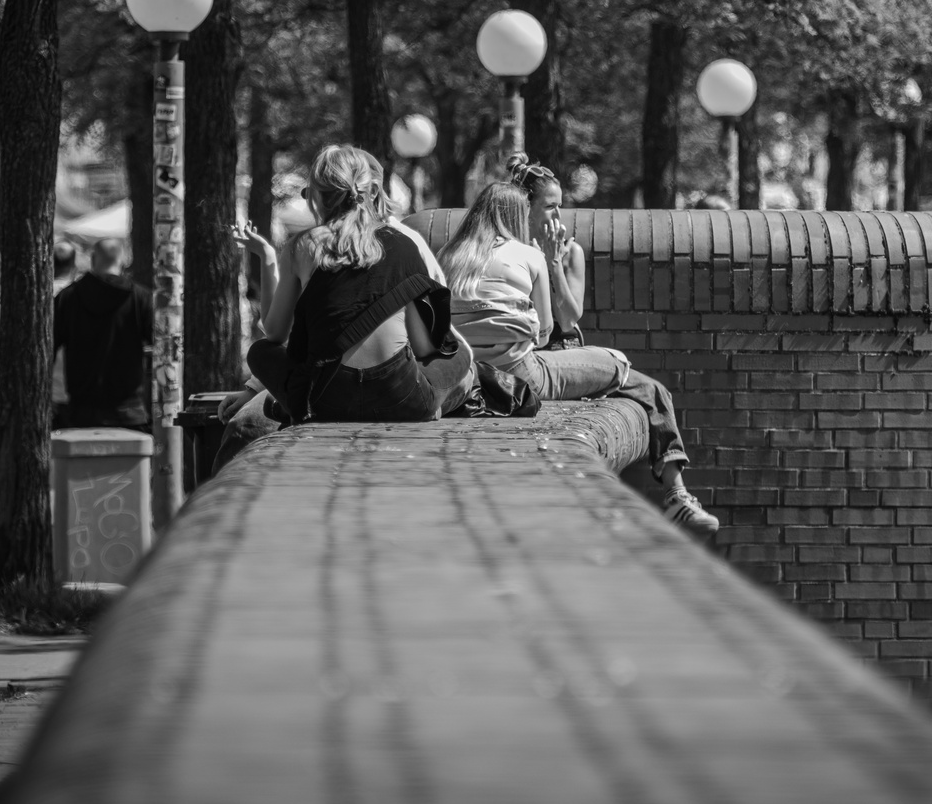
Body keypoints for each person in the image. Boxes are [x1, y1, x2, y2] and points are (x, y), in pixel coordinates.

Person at [440, 184, 720, 532]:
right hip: (526, 371)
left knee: (642, 387)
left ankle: (678, 495)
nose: (557, 216)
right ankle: (677, 495)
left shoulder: (449, 256)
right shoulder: (527, 255)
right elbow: (545, 331)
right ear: (521, 213)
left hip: (468, 375)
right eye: (548, 207)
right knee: (626, 371)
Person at [230, 144, 471, 427]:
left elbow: (273, 332)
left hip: (325, 401)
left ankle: (290, 406)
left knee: (259, 352)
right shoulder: (405, 244)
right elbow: (424, 344)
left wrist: (267, 258)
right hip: (401, 399)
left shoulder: (301, 246)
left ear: (317, 197)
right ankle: (432, 406)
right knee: (460, 354)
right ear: (367, 192)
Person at [54, 238, 152, 429]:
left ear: (92, 259)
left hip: (81, 410)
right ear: (123, 260)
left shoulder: (67, 298)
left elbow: (48, 350)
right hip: (129, 410)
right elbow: (161, 347)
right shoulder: (141, 298)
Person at [507, 155, 586, 349]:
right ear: (526, 208)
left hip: (563, 344)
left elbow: (568, 321)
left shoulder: (571, 252)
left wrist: (554, 264)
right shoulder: (508, 250)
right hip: (522, 344)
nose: (558, 215)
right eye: (550, 206)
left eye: (559, 206)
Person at [50, 240, 79, 428]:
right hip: (75, 384)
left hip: (50, 385)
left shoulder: (42, 293)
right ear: (74, 264)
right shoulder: (80, 294)